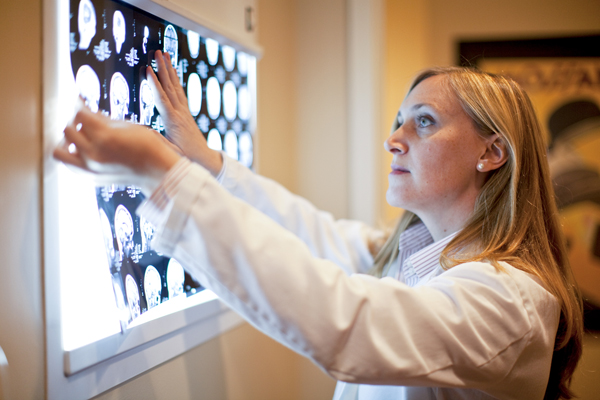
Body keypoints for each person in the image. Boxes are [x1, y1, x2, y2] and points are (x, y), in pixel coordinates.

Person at [54, 50, 583, 399]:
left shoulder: (508, 302)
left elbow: (346, 321)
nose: (394, 139)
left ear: (492, 153)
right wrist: (206, 162)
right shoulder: (413, 254)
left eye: (424, 121)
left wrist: (164, 176)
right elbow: (308, 233)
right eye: (399, 120)